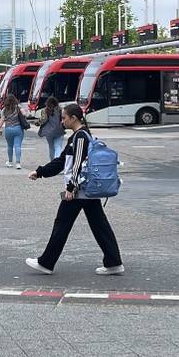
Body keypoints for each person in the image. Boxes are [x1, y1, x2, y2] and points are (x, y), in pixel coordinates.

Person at [25, 103, 123, 276]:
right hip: (86, 190)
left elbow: (77, 164)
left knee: (62, 224)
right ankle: (113, 262)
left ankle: (46, 262)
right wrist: (40, 172)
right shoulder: (81, 136)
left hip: (78, 191)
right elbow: (62, 161)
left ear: (74, 118)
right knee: (99, 225)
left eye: (64, 118)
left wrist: (71, 187)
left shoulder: (80, 137)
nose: (62, 121)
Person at [0, 94, 26, 169]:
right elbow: (25, 114)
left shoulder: (4, 109)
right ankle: (18, 163)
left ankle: (10, 162)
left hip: (8, 129)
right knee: (18, 146)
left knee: (10, 146)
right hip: (18, 128)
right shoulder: (18, 108)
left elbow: (2, 120)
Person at [37, 96, 65, 160]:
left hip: (49, 132)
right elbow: (63, 119)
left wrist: (37, 123)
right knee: (58, 146)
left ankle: (52, 161)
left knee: (51, 147)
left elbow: (43, 119)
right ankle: (57, 160)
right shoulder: (60, 110)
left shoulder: (45, 110)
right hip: (59, 130)